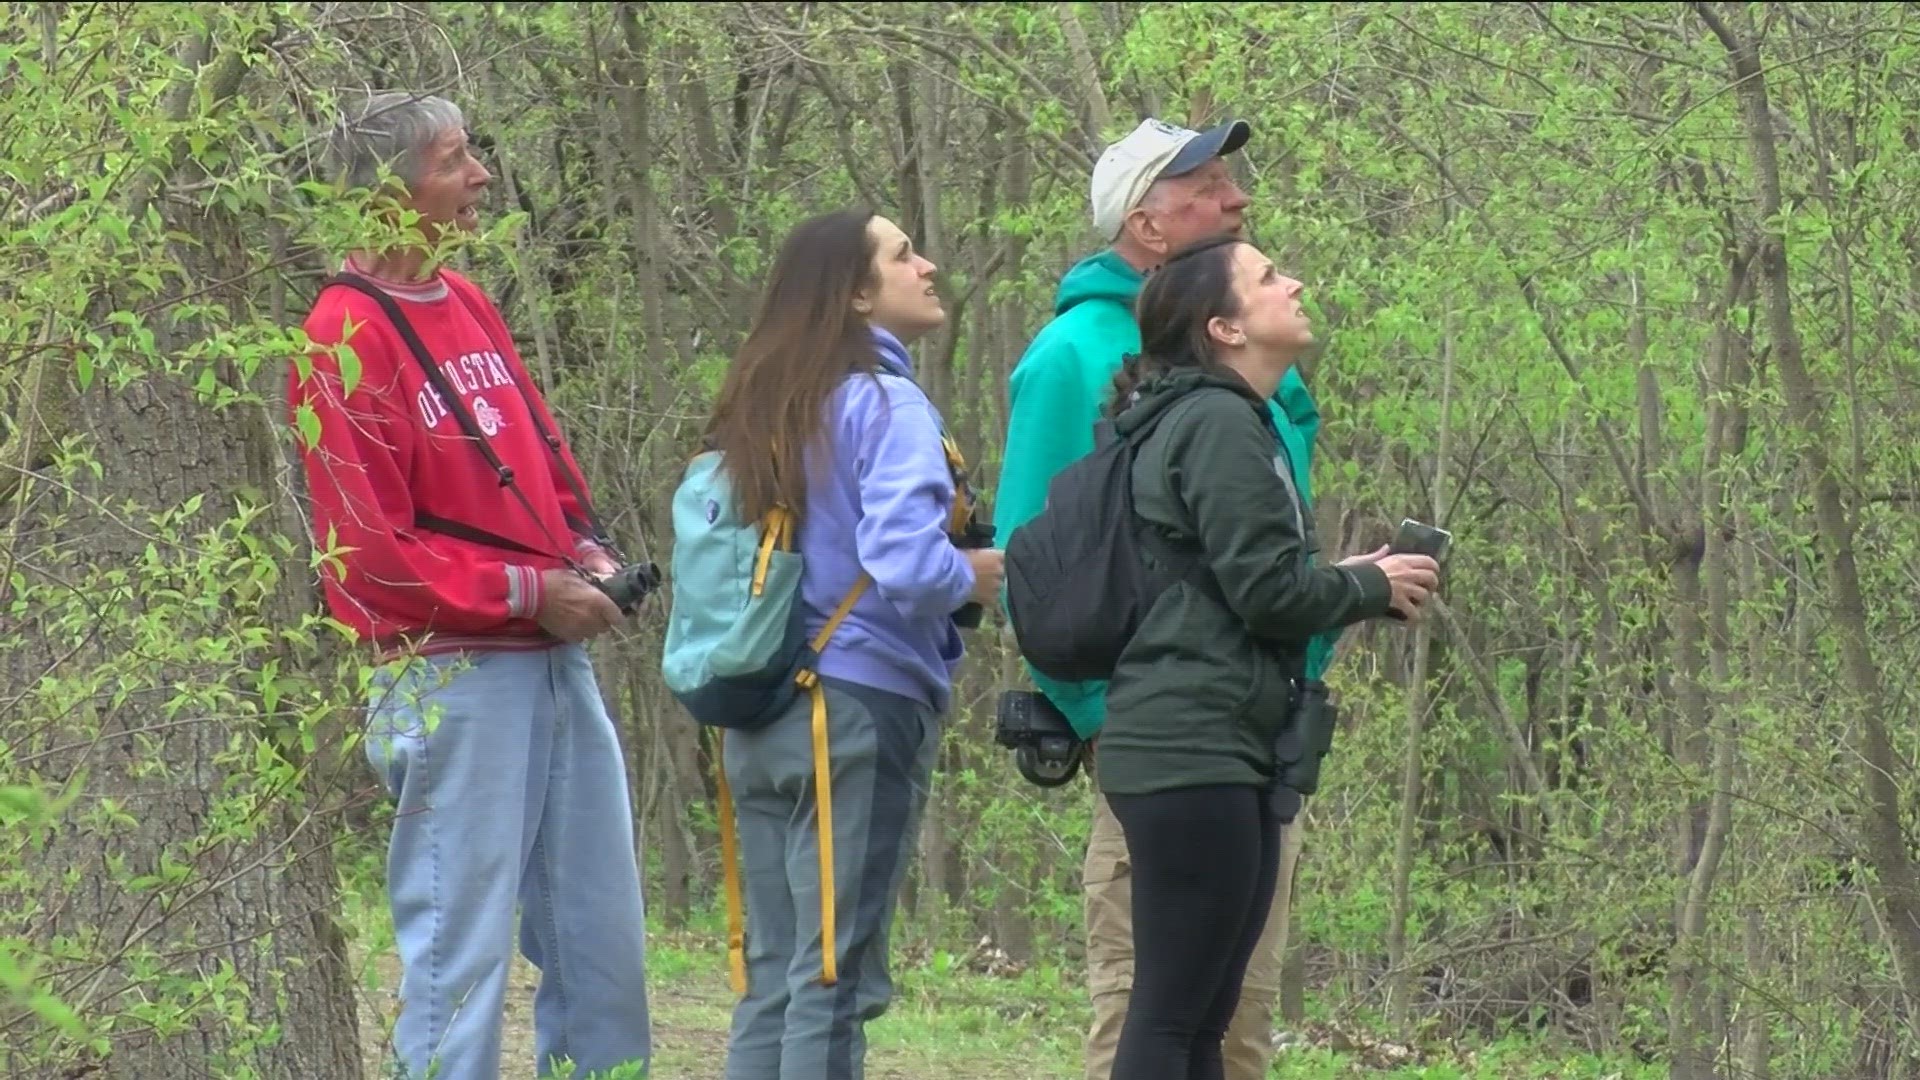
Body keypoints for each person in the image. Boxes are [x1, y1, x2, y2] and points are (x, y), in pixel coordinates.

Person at [288, 91, 653, 1080]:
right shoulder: (340, 335)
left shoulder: (470, 303)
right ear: (387, 193)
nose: (481, 177)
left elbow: (544, 459)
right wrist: (530, 595)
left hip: (551, 660)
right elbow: (369, 555)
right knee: (461, 959)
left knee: (601, 940)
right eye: (455, 161)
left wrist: (589, 553)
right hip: (450, 678)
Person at [994, 116, 1335, 1079]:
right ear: (1149, 225)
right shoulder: (1075, 356)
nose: (1237, 199)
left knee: (1239, 1013)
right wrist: (1106, 714)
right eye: (1209, 187)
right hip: (1165, 738)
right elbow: (1036, 559)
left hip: (1256, 722)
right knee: (1154, 1004)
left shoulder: (1241, 369)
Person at [1099, 233, 1438, 1080]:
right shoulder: (1216, 421)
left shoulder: (1214, 417)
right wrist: (1366, 588)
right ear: (1224, 327)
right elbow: (1267, 594)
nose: (1294, 283)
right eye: (1267, 278)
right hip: (1191, 749)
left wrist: (1346, 578)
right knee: (1173, 1016)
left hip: (1211, 742)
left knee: (1201, 1019)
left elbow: (1242, 582)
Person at [706, 207, 1004, 1080]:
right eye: (905, 255)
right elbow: (909, 564)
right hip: (857, 709)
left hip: (754, 708)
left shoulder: (761, 408)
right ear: (858, 293)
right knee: (833, 977)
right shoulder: (886, 401)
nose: (930, 266)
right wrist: (972, 577)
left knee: (772, 977)